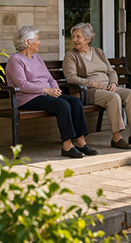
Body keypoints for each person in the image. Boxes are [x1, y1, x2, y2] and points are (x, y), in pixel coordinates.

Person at [6, 26, 97, 158]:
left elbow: (50, 78)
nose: (39, 42)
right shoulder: (15, 60)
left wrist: (56, 89)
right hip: (26, 99)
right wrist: (46, 90)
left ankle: (81, 143)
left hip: (44, 95)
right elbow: (22, 85)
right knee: (62, 105)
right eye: (37, 39)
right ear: (28, 42)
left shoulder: (37, 58)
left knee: (76, 101)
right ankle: (67, 146)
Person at [63, 23, 131, 149]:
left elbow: (111, 71)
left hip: (107, 87)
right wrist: (93, 83)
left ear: (88, 38)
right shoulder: (71, 56)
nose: (74, 40)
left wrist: (114, 83)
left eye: (78, 37)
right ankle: (117, 138)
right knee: (113, 97)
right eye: (73, 37)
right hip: (87, 91)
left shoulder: (99, 52)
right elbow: (71, 78)